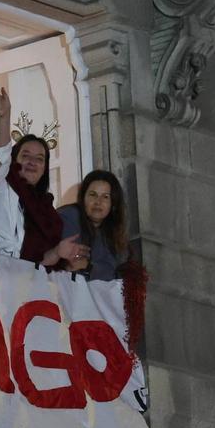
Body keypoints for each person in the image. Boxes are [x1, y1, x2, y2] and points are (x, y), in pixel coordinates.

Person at [58, 169, 149, 412]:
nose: (98, 202)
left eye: (105, 197)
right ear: (83, 197)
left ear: (113, 204)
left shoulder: (117, 239)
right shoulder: (68, 217)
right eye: (93, 195)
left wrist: (90, 267)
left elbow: (115, 275)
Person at [0, 84, 86, 268]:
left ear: (44, 168)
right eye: (25, 156)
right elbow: (0, 155)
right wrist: (4, 116)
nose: (32, 162)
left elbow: (37, 266)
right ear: (13, 158)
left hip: (18, 284)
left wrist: (58, 252)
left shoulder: (47, 214)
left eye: (39, 159)